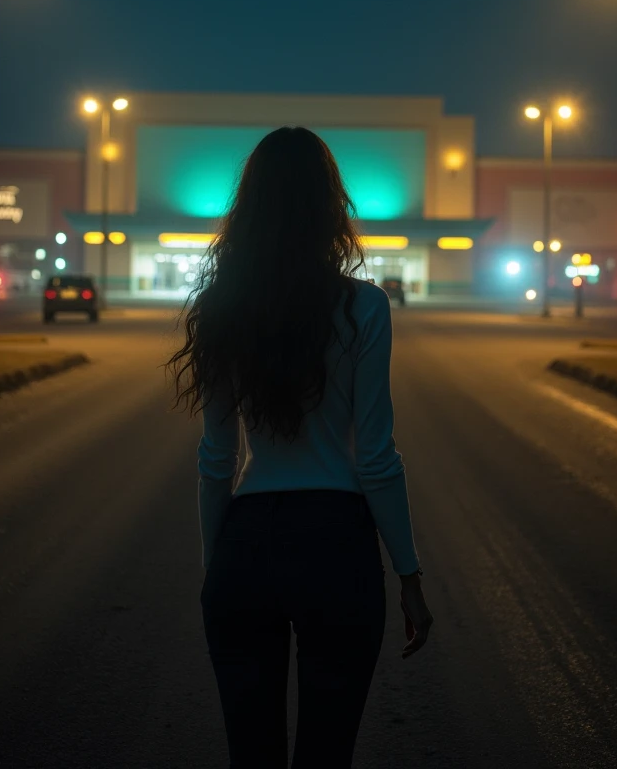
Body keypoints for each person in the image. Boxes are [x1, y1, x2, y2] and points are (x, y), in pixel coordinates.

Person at [168, 126, 433, 769]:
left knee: (250, 756)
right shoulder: (364, 308)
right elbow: (375, 456)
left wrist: (217, 569)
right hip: (336, 546)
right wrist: (409, 575)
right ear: (329, 208)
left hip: (245, 546)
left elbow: (215, 458)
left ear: (248, 209)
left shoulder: (221, 306)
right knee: (326, 754)